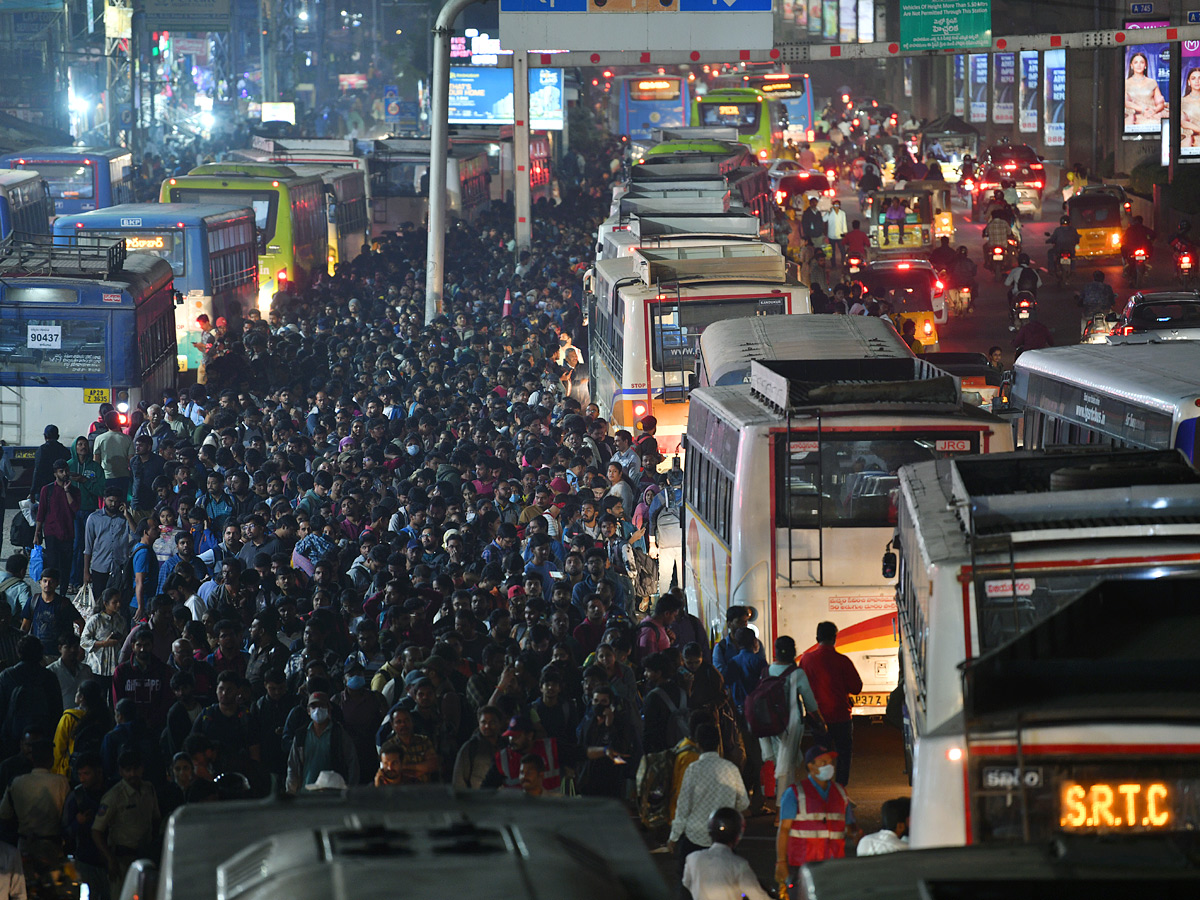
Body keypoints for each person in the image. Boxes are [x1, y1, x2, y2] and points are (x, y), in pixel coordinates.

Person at [667, 724, 748, 888]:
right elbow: (744, 802)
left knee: (686, 883)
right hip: (723, 838)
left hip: (694, 837)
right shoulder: (730, 768)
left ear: (698, 744)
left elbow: (683, 808)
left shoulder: (693, 770)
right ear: (718, 744)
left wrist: (673, 837)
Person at [775, 745, 856, 896]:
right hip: (802, 866)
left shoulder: (840, 792)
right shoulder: (794, 793)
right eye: (823, 762)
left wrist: (857, 835)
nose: (829, 766)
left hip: (834, 866)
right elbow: (784, 829)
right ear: (810, 766)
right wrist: (781, 862)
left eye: (830, 762)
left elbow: (850, 825)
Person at [759, 636, 822, 806]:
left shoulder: (766, 671)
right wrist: (820, 721)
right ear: (793, 652)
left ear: (776, 652)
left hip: (768, 724)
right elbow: (810, 702)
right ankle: (783, 809)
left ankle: (787, 804)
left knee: (780, 763)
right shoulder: (797, 673)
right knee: (786, 768)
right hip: (790, 724)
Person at [797, 622, 861, 786]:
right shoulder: (842, 660)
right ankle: (841, 790)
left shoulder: (806, 659)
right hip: (840, 715)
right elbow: (856, 687)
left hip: (817, 716)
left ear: (817, 638)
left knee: (821, 755)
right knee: (843, 755)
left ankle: (822, 788)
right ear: (835, 638)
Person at [681, 808, 771, 900]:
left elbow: (687, 882)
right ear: (737, 835)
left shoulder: (693, 858)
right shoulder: (739, 865)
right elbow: (758, 896)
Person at [33, 460, 80, 579]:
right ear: (55, 474)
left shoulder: (74, 490)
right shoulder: (47, 490)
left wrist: (67, 491)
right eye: (61, 471)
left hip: (68, 533)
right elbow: (41, 512)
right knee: (52, 565)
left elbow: (75, 508)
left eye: (66, 471)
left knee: (66, 567)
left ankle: (63, 593)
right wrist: (37, 532)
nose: (64, 474)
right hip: (51, 532)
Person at [1125, 50, 1167, 127]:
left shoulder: (1152, 82)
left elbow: (1160, 103)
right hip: (1135, 117)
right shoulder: (1126, 83)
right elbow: (1125, 102)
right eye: (1136, 62)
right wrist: (1143, 110)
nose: (1139, 65)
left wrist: (1153, 111)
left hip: (1153, 114)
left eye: (1142, 62)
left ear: (1145, 65)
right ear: (1131, 65)